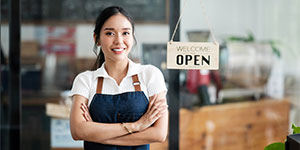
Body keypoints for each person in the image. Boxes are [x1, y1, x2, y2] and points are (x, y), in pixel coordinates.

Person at [69, 6, 168, 150]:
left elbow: (158, 134)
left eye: (125, 33)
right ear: (96, 39)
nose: (119, 41)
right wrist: (137, 126)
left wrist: (98, 136)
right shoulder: (85, 80)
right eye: (110, 33)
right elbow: (78, 131)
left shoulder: (150, 75)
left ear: (133, 37)